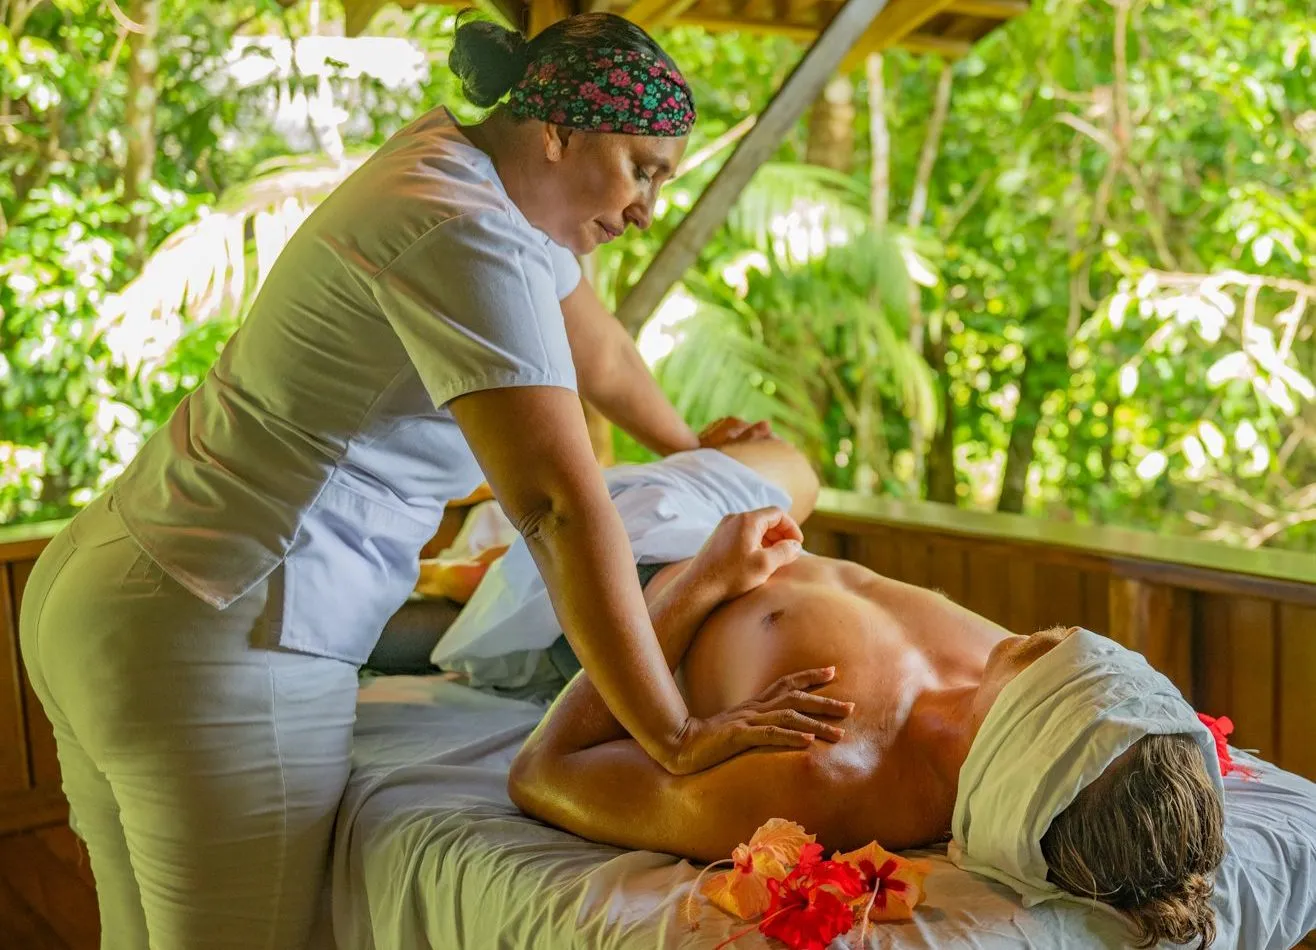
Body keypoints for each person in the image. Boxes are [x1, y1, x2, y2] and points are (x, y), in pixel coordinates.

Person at [17, 13, 838, 949]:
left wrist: (692, 441)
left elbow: (597, 348)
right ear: (556, 135)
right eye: (642, 168)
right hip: (217, 631)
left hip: (113, 587)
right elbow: (556, 507)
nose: (649, 204)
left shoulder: (459, 164)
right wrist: (674, 733)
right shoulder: (466, 228)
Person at [503, 440, 1228, 949]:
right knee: (780, 453)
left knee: (539, 447)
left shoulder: (823, 778)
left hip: (603, 580)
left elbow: (546, 771)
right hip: (732, 515)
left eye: (1066, 672)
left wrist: (705, 581)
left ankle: (479, 559)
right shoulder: (1001, 671)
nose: (1068, 640)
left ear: (1027, 750)